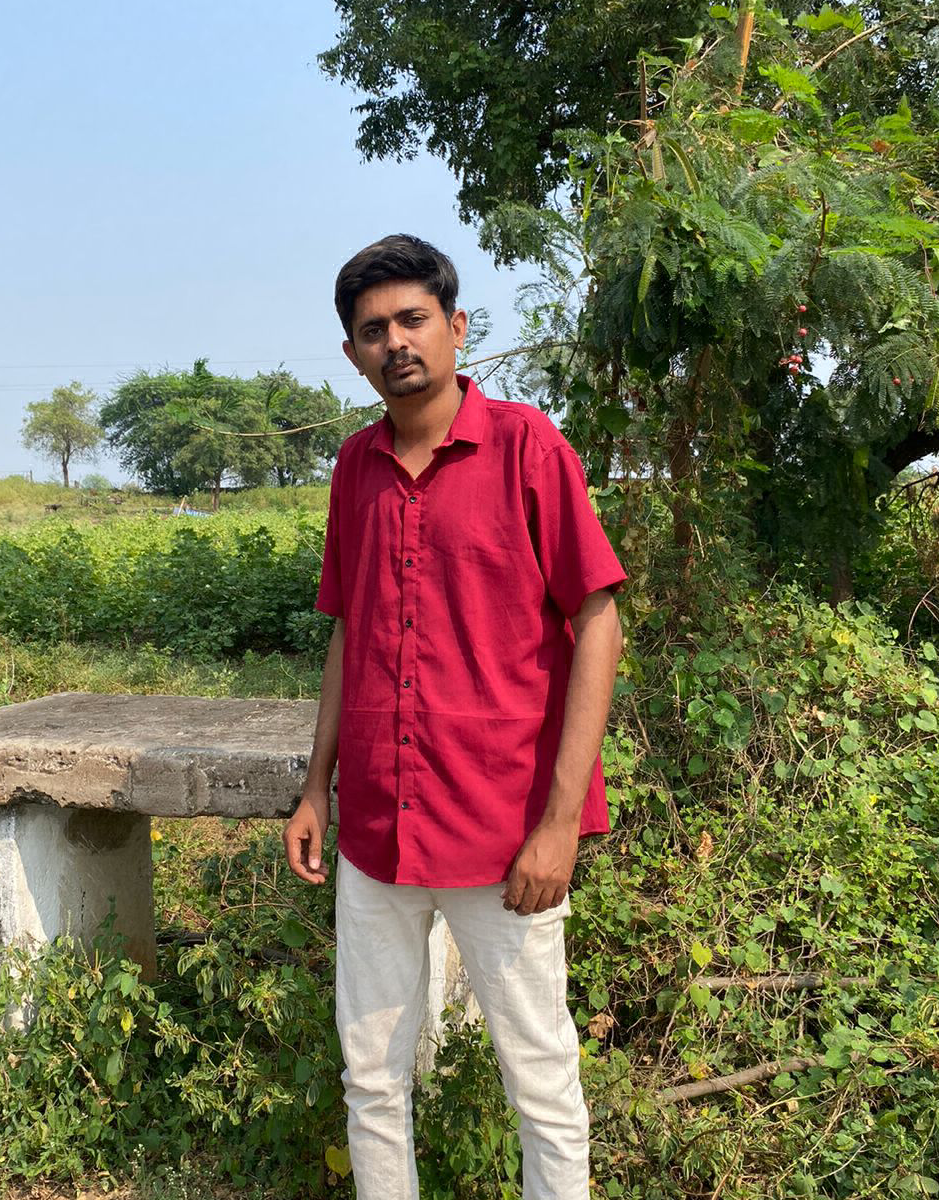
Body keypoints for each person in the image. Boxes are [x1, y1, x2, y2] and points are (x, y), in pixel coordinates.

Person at [283, 234, 627, 1200]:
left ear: (456, 326)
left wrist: (558, 826)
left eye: (413, 319)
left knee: (540, 1080)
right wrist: (316, 788)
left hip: (504, 832)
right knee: (371, 1077)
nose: (395, 342)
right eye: (373, 330)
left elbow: (598, 620)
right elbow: (349, 631)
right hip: (378, 833)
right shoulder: (356, 468)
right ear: (352, 354)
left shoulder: (526, 447)